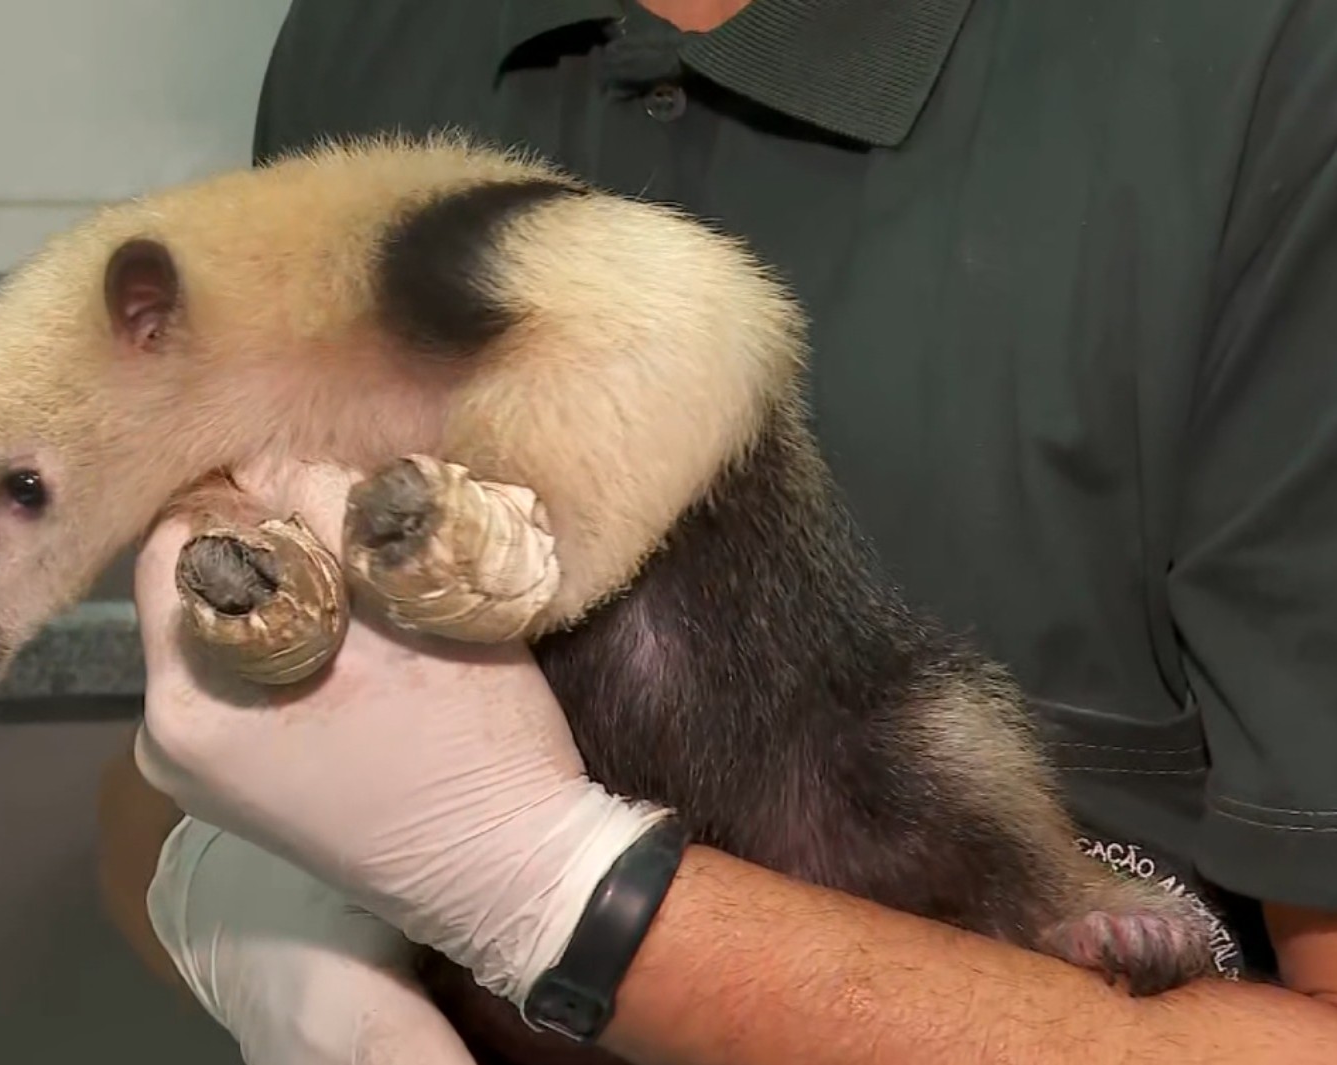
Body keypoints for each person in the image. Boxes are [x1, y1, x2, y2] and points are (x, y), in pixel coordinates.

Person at [98, 0, 1337, 1061]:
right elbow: (218, 753)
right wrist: (239, 886)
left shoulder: (1256, 77)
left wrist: (574, 903)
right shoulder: (369, 44)